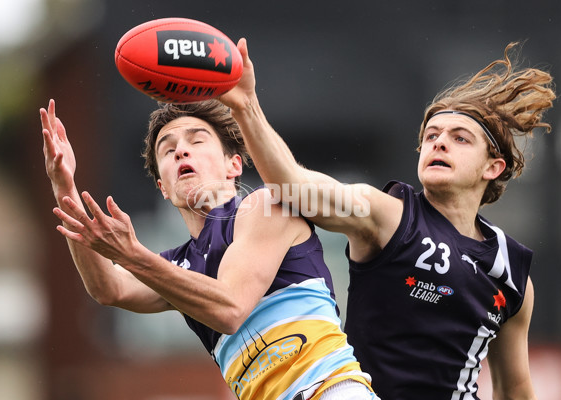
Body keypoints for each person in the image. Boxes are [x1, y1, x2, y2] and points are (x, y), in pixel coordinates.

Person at [219, 39, 555, 399]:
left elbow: (514, 387)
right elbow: (291, 184)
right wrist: (246, 107)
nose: (439, 143)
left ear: (494, 166)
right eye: (431, 136)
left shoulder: (511, 273)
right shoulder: (388, 215)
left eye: (460, 138)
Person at [40, 99, 381, 400]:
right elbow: (107, 287)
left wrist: (133, 255)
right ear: (162, 187)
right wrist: (63, 185)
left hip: (330, 390)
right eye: (167, 148)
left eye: (197, 140)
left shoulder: (266, 206)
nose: (180, 151)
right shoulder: (177, 267)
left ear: (234, 165)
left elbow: (230, 308)